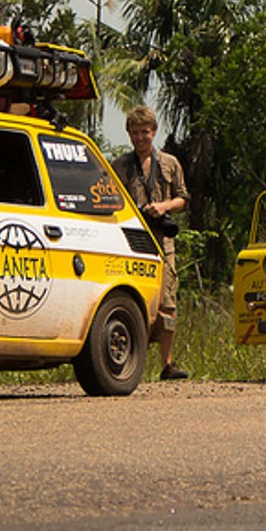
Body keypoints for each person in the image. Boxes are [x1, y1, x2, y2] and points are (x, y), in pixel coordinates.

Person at [115, 105, 191, 381]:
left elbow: (183, 199)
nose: (139, 138)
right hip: (132, 240)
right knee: (134, 300)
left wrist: (163, 207)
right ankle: (132, 364)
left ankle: (167, 364)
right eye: (134, 133)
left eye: (144, 132)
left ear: (154, 132)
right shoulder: (120, 165)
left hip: (163, 241)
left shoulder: (170, 163)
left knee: (168, 302)